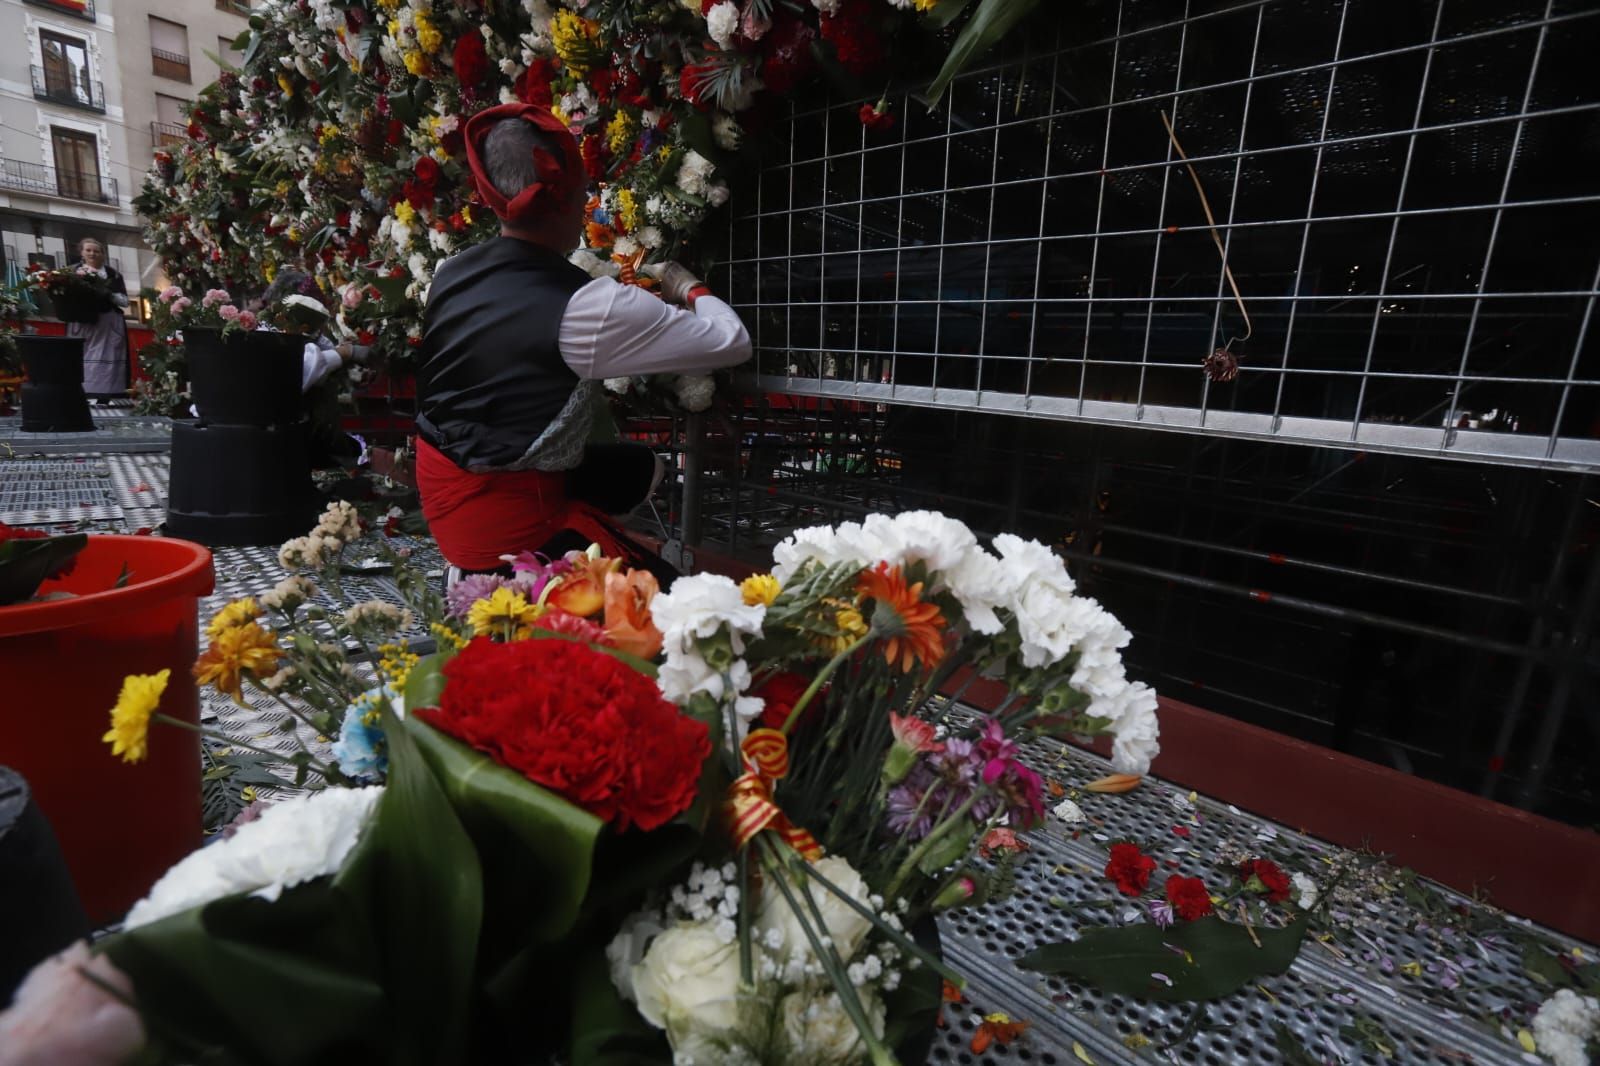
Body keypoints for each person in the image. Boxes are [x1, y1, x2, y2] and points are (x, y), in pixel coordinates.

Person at [415, 102, 750, 577]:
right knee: (688, 610)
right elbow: (731, 341)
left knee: (640, 468)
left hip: (448, 492)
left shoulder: (451, 272)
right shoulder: (583, 306)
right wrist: (689, 287)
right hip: (507, 531)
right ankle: (528, 574)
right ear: (568, 195)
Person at [65, 238, 130, 400]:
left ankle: (108, 393)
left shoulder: (113, 275)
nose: (92, 254)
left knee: (108, 355)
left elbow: (124, 301)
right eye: (88, 250)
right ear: (81, 252)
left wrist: (107, 293)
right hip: (82, 323)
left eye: (96, 251)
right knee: (82, 355)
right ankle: (81, 392)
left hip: (107, 325)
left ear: (103, 254)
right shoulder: (71, 272)